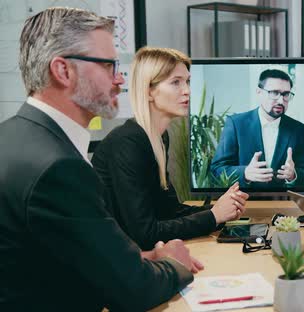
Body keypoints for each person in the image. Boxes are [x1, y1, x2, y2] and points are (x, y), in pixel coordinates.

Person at [0, 7, 201, 311]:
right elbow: (136, 291)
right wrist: (176, 263)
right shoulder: (59, 167)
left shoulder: (12, 136)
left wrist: (137, 260)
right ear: (63, 71)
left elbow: (56, 258)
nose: (120, 79)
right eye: (108, 65)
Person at [91, 47, 249, 250]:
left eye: (187, 81)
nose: (187, 90)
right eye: (176, 82)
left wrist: (221, 210)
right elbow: (144, 233)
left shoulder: (157, 137)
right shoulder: (128, 142)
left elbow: (170, 211)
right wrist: (213, 216)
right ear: (148, 90)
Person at [210, 69, 304, 188]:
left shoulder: (299, 129)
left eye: (286, 94)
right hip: (244, 202)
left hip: (284, 203)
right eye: (274, 93)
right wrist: (245, 173)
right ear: (259, 92)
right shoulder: (236, 124)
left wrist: (293, 175)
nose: (281, 100)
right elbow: (217, 170)